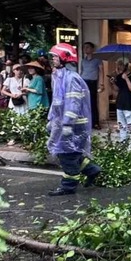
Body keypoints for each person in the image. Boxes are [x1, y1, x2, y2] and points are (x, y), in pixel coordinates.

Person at [45, 43, 101, 196]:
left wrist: (67, 124)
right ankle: (93, 170)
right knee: (73, 153)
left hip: (74, 125)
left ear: (65, 58)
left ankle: (68, 186)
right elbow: (57, 102)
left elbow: (73, 103)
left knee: (66, 154)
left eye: (55, 57)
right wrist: (52, 120)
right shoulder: (60, 76)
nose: (53, 60)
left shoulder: (71, 78)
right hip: (64, 123)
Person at [110, 58, 131, 143]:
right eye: (119, 64)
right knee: (121, 126)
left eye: (121, 64)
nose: (119, 66)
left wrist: (126, 79)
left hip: (129, 104)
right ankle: (123, 142)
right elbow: (117, 89)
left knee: (130, 126)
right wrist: (113, 82)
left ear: (126, 66)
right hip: (120, 103)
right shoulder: (119, 76)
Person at [81, 42, 104, 129]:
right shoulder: (83, 60)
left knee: (93, 103)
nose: (85, 49)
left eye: (87, 47)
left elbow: (101, 71)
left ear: (92, 49)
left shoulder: (97, 59)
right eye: (84, 48)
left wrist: (101, 84)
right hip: (84, 82)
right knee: (84, 103)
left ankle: (95, 123)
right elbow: (82, 71)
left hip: (92, 83)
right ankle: (86, 123)